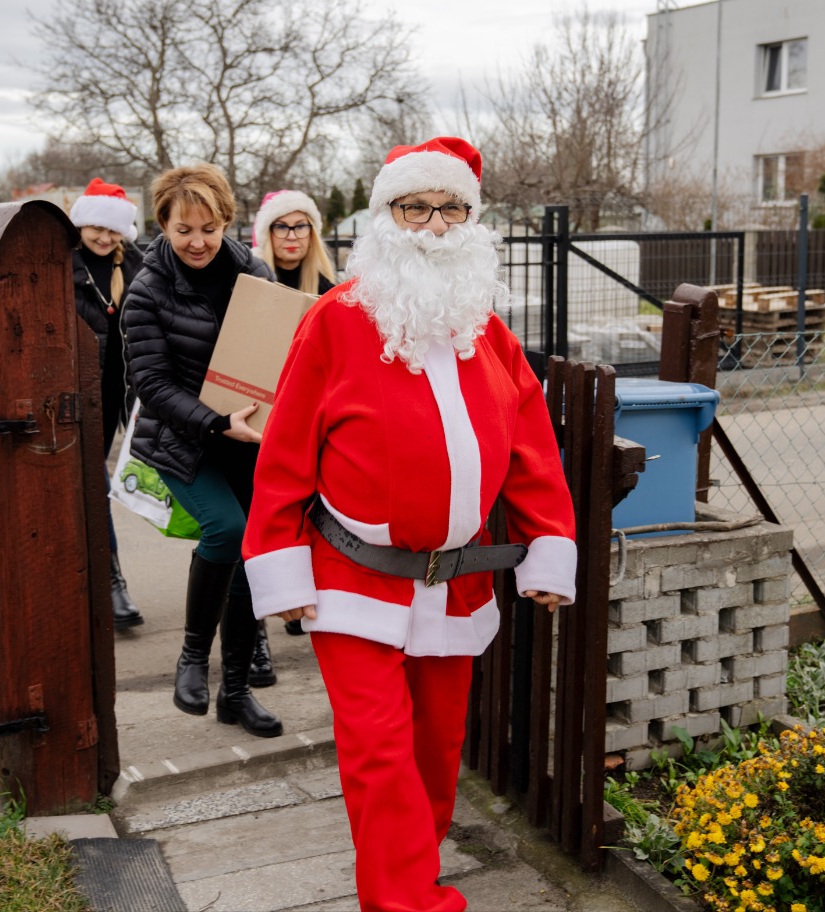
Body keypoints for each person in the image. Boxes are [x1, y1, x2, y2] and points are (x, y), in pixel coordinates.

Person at [242, 137, 577, 910]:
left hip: (454, 586)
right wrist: (279, 561)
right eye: (414, 207)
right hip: (351, 579)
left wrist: (549, 545)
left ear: (471, 220)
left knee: (434, 751)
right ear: (384, 217)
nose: (432, 225)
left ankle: (412, 877)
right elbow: (285, 455)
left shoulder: (484, 329)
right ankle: (405, 903)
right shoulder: (334, 321)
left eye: (449, 208)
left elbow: (530, 442)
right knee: (379, 756)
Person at [120, 163, 283, 738]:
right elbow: (153, 386)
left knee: (252, 556)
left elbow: (279, 347)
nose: (198, 241)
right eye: (183, 228)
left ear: (225, 224)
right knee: (228, 530)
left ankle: (235, 693)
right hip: (185, 442)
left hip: (250, 439)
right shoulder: (147, 289)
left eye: (209, 228)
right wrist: (215, 423)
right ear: (162, 223)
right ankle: (192, 655)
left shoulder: (252, 271)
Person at [245, 189, 338, 682]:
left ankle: (299, 597)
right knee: (254, 519)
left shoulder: (328, 286)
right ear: (267, 232)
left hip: (306, 414)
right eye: (283, 226)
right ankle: (254, 632)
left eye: (302, 226)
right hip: (254, 413)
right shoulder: (252, 281)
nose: (293, 237)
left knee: (309, 508)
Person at [69, 177, 145, 630]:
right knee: (94, 492)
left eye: (113, 230)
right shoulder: (64, 266)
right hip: (80, 397)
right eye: (96, 227)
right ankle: (111, 583)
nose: (104, 237)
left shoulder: (136, 266)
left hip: (124, 397)